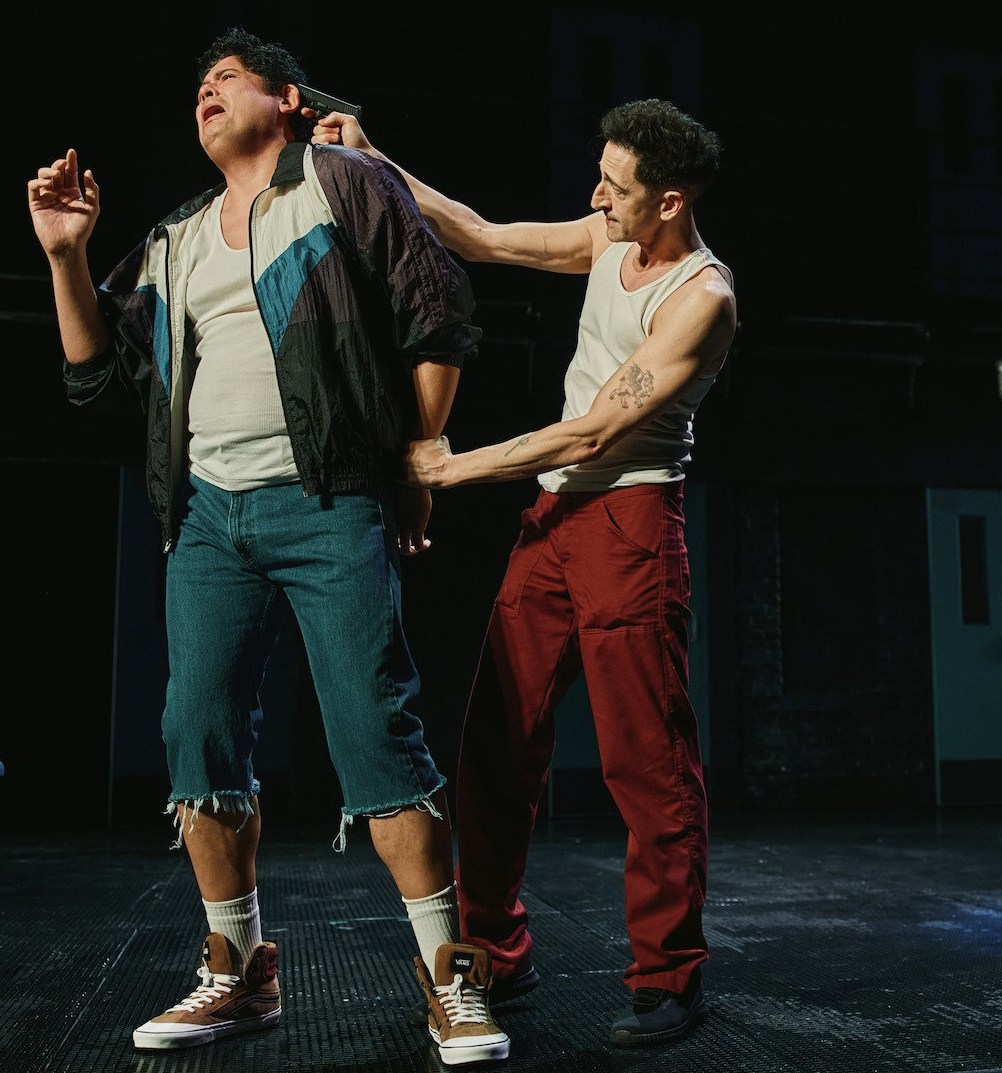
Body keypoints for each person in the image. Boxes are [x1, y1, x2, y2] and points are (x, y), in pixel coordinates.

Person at [27, 28, 509, 1065]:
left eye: (227, 79)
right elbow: (88, 372)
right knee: (196, 736)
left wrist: (417, 460)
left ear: (288, 100)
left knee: (377, 736)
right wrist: (66, 253)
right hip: (203, 517)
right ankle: (235, 973)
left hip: (328, 498)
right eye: (196, 86)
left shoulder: (344, 185)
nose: (204, 93)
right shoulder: (174, 234)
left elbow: (442, 314)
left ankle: (449, 978)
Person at [311, 97, 735, 1046]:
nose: (595, 195)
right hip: (553, 525)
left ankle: (669, 976)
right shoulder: (604, 243)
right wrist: (379, 159)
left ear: (668, 201)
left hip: (629, 524)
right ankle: (497, 954)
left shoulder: (701, 297)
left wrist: (449, 467)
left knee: (647, 763)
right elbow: (483, 236)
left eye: (615, 187)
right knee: (496, 744)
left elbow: (592, 430)